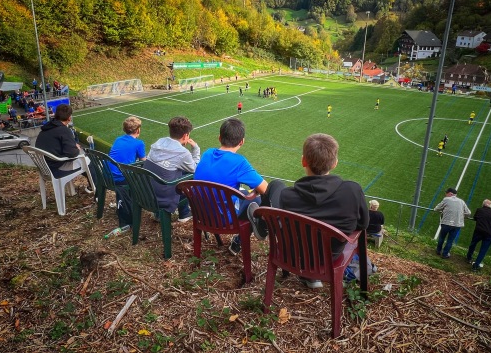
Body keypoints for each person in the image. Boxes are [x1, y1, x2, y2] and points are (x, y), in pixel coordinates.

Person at [278, 133, 369, 288]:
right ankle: (312, 276)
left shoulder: (286, 196)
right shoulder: (352, 190)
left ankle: (309, 276)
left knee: (276, 184)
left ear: (303, 161)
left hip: (297, 256)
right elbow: (363, 224)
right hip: (331, 256)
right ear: (334, 163)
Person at [194, 118, 283, 255]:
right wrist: (256, 192)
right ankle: (239, 242)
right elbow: (266, 189)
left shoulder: (207, 153)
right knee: (257, 201)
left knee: (242, 192)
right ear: (242, 141)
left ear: (219, 138)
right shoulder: (239, 163)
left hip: (200, 213)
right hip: (222, 219)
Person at [145, 116, 200, 222]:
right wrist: (195, 149)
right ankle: (184, 214)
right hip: (163, 199)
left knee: (175, 171)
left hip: (146, 192)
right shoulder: (183, 153)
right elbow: (195, 169)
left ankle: (158, 214)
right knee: (192, 178)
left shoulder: (159, 142)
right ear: (185, 136)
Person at [35, 104, 93, 192]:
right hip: (56, 169)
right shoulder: (64, 130)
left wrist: (72, 145)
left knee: (83, 162)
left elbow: (54, 145)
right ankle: (95, 188)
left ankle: (86, 187)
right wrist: (76, 147)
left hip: (44, 168)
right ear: (69, 118)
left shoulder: (46, 128)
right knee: (88, 162)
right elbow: (71, 153)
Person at [108, 116, 146, 226]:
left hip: (108, 175)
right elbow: (144, 161)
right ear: (138, 130)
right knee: (146, 175)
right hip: (122, 178)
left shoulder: (118, 139)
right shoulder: (139, 143)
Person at [434, 187, 471, 258]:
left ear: (450, 194)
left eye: (446, 193)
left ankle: (438, 250)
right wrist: (463, 216)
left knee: (442, 237)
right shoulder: (461, 201)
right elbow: (468, 213)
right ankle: (445, 254)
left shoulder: (446, 199)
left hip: (446, 223)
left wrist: (443, 210)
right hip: (457, 225)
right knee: (450, 240)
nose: (445, 194)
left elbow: (437, 208)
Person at [466, 199, 491, 271]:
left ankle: (469, 258)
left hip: (479, 231)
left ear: (483, 204)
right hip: (489, 234)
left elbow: (475, 218)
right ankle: (476, 266)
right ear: (490, 206)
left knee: (473, 244)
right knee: (483, 250)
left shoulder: (479, 210)